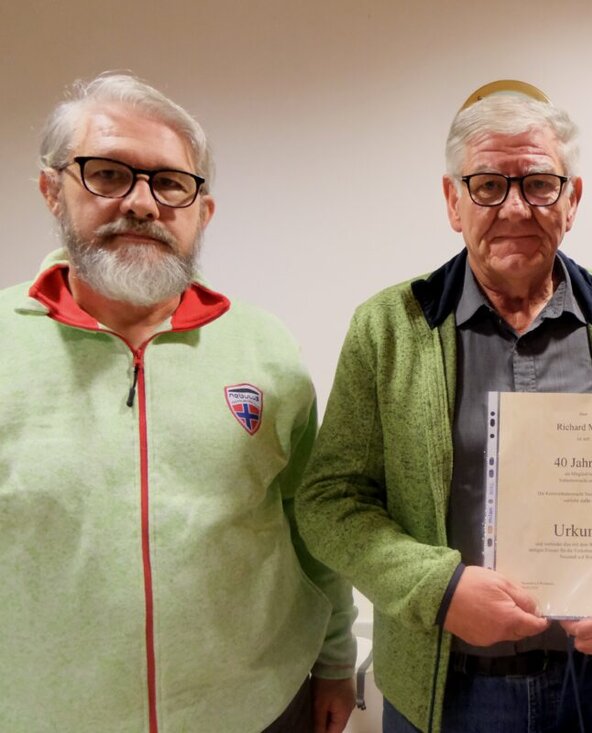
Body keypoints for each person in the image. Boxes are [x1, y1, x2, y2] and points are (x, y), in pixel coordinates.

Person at [296, 83, 592, 733]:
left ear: (572, 200)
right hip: (444, 691)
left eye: (539, 184)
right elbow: (329, 500)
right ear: (451, 201)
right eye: (488, 184)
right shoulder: (387, 329)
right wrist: (440, 587)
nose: (515, 208)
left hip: (589, 683)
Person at [0, 72, 357, 732]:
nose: (141, 203)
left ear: (202, 211)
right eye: (107, 174)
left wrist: (336, 658)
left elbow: (311, 521)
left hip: (255, 706)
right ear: (53, 190)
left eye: (169, 183)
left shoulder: (264, 347)